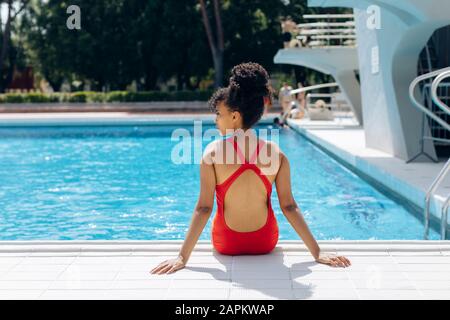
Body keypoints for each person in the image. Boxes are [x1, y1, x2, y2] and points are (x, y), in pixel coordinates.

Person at [151, 62, 350, 275]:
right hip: (265, 242)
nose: (216, 120)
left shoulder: (212, 154)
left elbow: (204, 209)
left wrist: (182, 257)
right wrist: (317, 253)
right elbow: (289, 207)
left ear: (235, 116)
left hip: (226, 243)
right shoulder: (277, 154)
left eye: (219, 114)